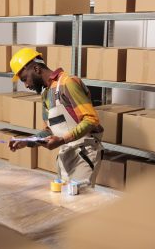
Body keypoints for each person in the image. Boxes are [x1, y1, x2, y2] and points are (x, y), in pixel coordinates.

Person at [8, 48, 104, 186]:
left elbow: (91, 119)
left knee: (79, 202)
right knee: (63, 202)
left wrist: (61, 140)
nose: (27, 85)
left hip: (84, 152)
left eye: (25, 79)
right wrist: (28, 141)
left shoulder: (68, 83)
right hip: (65, 154)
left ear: (36, 69)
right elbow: (49, 130)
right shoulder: (46, 94)